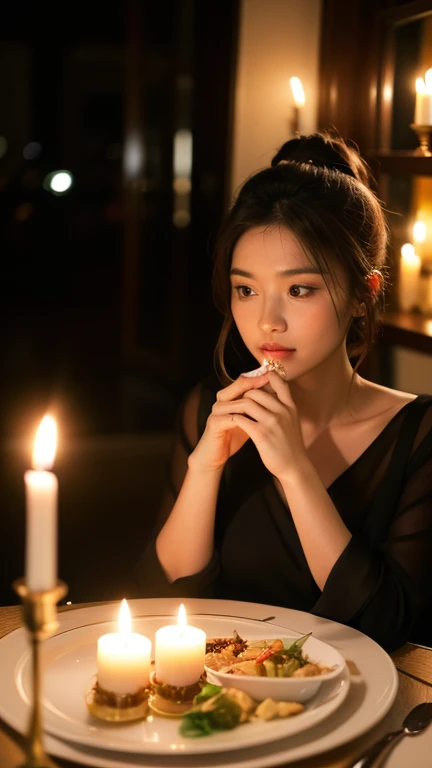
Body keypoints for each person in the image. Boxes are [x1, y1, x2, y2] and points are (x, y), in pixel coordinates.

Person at [135, 132, 432, 652]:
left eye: (299, 289)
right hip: (224, 713)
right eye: (246, 289)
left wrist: (294, 469)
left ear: (365, 295)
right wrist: (205, 467)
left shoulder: (419, 436)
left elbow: (388, 628)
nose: (266, 322)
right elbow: (155, 602)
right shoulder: (210, 408)